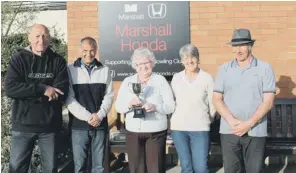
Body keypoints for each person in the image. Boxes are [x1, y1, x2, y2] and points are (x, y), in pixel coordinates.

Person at [5, 24, 69, 173]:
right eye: (37, 36)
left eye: (45, 36)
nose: (41, 40)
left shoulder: (58, 61)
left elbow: (61, 91)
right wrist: (43, 89)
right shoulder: (18, 60)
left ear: (49, 38)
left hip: (49, 126)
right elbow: (11, 89)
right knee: (16, 168)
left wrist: (28, 91)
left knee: (51, 168)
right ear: (29, 38)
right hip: (23, 125)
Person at [212, 29, 276, 173]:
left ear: (250, 46)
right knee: (231, 170)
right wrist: (233, 121)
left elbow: (268, 101)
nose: (238, 50)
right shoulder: (224, 69)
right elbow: (216, 99)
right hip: (229, 130)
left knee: (254, 170)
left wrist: (248, 124)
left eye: (242, 45)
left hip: (255, 131)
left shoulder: (265, 68)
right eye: (235, 46)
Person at [115, 47, 175, 173]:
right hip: (133, 132)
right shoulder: (128, 81)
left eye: (146, 62)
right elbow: (118, 106)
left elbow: (171, 106)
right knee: (137, 169)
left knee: (155, 169)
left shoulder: (160, 81)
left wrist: (156, 107)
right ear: (135, 66)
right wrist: (130, 104)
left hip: (155, 132)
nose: (143, 66)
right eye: (139, 63)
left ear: (152, 63)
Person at [66, 37, 114, 173]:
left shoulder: (105, 70)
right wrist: (88, 117)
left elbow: (109, 95)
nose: (89, 54)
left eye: (92, 50)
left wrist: (99, 116)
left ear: (96, 50)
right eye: (85, 50)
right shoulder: (70, 70)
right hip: (78, 127)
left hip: (100, 125)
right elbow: (69, 98)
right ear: (80, 50)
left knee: (99, 167)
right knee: (79, 166)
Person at [170, 44, 216, 173]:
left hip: (200, 128)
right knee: (186, 167)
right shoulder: (176, 78)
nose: (190, 61)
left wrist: (209, 119)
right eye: (186, 58)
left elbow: (213, 103)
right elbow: (172, 102)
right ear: (182, 61)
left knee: (201, 167)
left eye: (193, 57)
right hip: (179, 128)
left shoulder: (207, 78)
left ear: (198, 59)